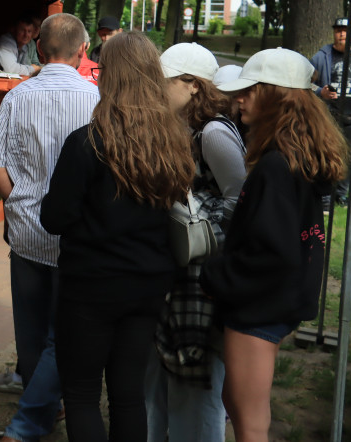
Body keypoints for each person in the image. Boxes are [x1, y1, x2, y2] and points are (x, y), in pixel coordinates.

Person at [41, 31, 194, 442]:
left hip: (92, 286)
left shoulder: (89, 142)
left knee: (83, 393)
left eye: (103, 68)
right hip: (147, 285)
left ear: (112, 76)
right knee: (127, 394)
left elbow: (55, 217)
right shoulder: (172, 142)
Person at [202, 48, 347, 442]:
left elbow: (271, 253)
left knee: (249, 427)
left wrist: (212, 274)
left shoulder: (276, 167)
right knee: (237, 403)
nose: (240, 99)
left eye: (250, 90)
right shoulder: (291, 159)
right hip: (274, 304)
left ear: (277, 96)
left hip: (259, 309)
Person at [0, 13, 99, 442]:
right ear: (82, 51)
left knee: (30, 330)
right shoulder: (96, 98)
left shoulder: (17, 96)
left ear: (37, 49)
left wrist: (20, 204)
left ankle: (38, 410)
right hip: (75, 233)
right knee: (63, 330)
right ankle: (47, 407)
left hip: (27, 233)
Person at [146, 43, 247, 442]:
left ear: (192, 86)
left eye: (164, 82)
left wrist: (200, 230)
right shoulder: (179, 127)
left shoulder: (213, 132)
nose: (156, 90)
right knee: (162, 378)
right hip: (177, 278)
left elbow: (241, 197)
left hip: (201, 281)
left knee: (197, 387)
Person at [310, 17, 351, 204]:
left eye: (346, 30)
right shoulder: (321, 56)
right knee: (325, 153)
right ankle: (324, 194)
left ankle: (340, 194)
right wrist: (320, 91)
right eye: (338, 30)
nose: (341, 34)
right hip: (329, 116)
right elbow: (306, 82)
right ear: (334, 33)